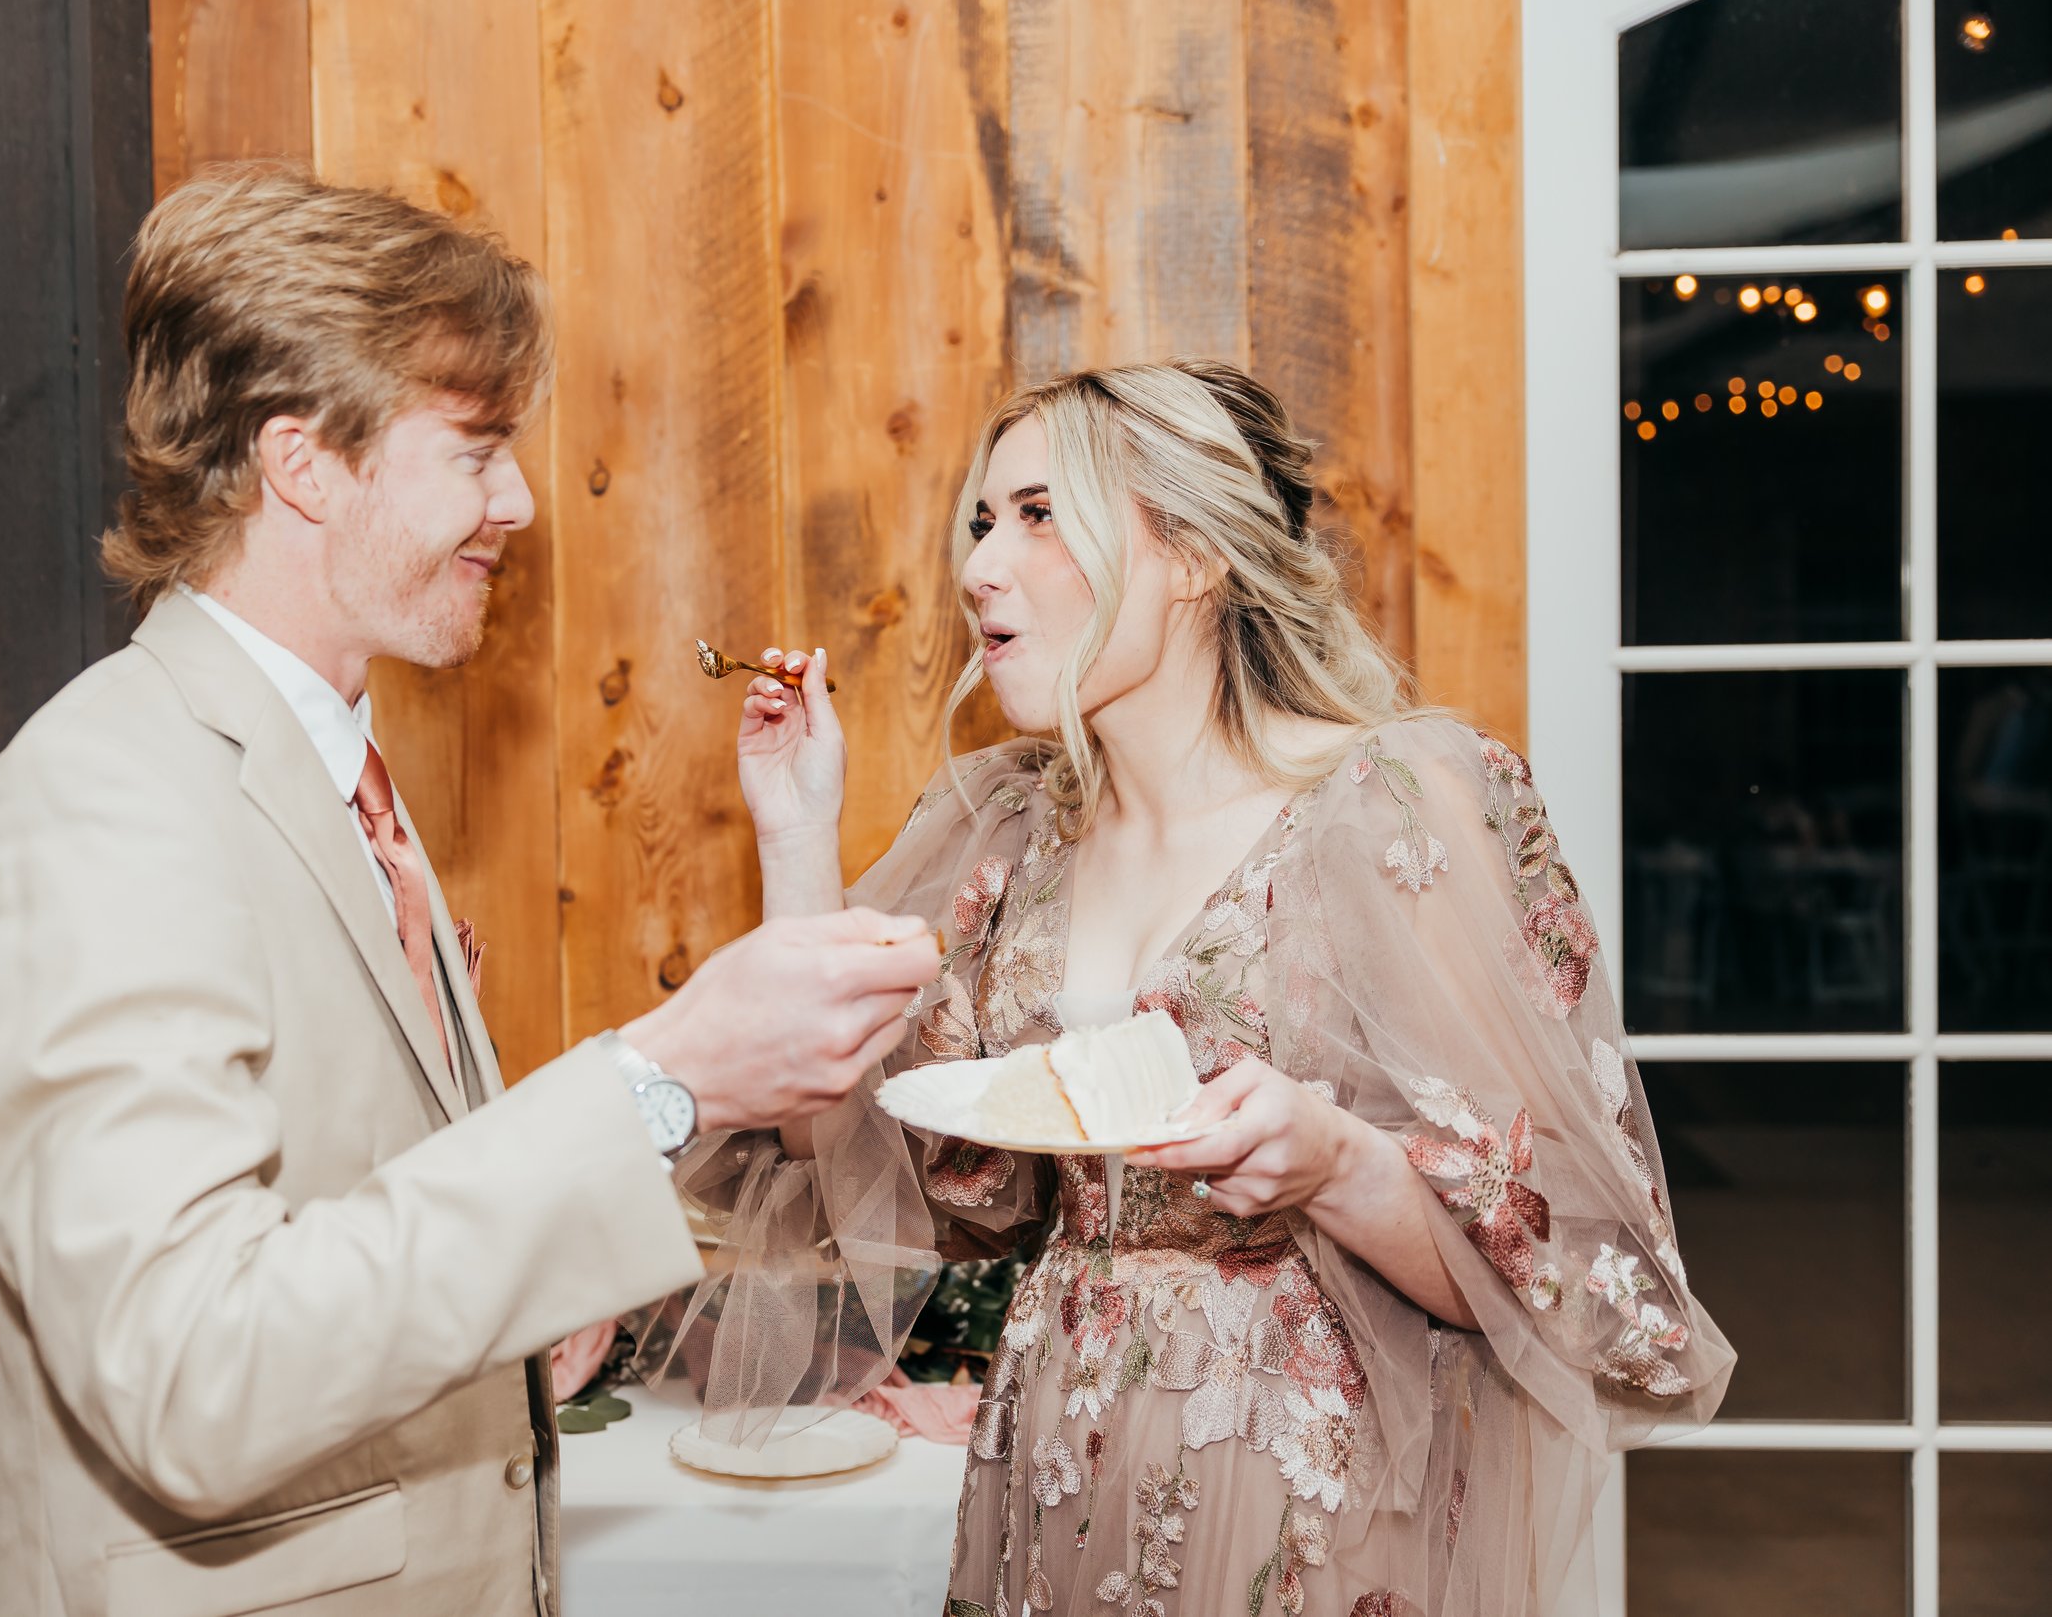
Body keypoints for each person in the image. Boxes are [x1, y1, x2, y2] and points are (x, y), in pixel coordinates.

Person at [0, 165, 939, 1617]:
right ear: (305, 463)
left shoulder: (337, 786)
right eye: (473, 448)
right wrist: (654, 1083)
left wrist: (522, 1327)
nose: (518, 500)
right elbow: (185, 1372)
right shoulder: (102, 803)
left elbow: (353, 1244)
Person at [680, 361, 1733, 1617]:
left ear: (1192, 557)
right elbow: (863, 1169)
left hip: (1299, 1486)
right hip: (1054, 1454)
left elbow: (1568, 1262)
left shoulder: (1392, 803)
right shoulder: (1010, 827)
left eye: (1037, 514)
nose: (978, 566)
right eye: (978, 520)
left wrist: (1336, 1164)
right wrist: (797, 840)